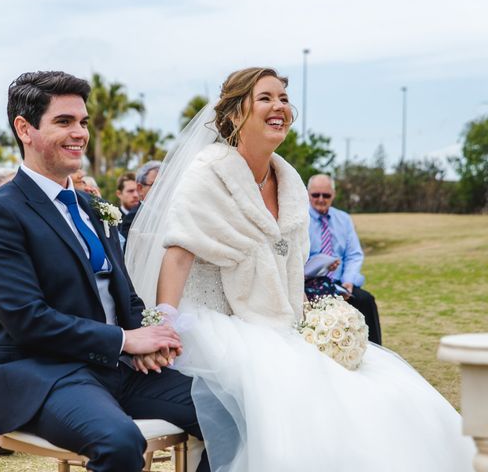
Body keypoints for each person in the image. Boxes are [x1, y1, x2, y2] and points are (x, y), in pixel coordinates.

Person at [126, 67, 474, 471]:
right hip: (217, 324)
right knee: (287, 399)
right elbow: (179, 253)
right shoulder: (208, 172)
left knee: (383, 391)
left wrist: (315, 322)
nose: (280, 107)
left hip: (281, 323)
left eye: (284, 99)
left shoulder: (287, 177)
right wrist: (163, 324)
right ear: (236, 113)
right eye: (266, 98)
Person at [0, 70, 210, 472]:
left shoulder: (93, 209)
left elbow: (124, 293)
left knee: (233, 411)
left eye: (82, 122)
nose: (79, 132)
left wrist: (148, 341)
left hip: (117, 369)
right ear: (25, 129)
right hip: (44, 374)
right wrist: (124, 340)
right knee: (118, 443)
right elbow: (26, 319)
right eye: (64, 122)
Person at [306, 173, 383, 344]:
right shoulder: (300, 218)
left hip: (340, 283)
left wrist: (349, 281)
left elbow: (353, 254)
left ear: (333, 195)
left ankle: (375, 352)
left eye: (326, 195)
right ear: (307, 193)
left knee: (366, 300)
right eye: (315, 195)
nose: (320, 199)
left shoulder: (344, 219)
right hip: (311, 284)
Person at [120, 161, 160, 239]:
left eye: (163, 184)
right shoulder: (132, 218)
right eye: (155, 185)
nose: (162, 190)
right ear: (140, 188)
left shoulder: (171, 212)